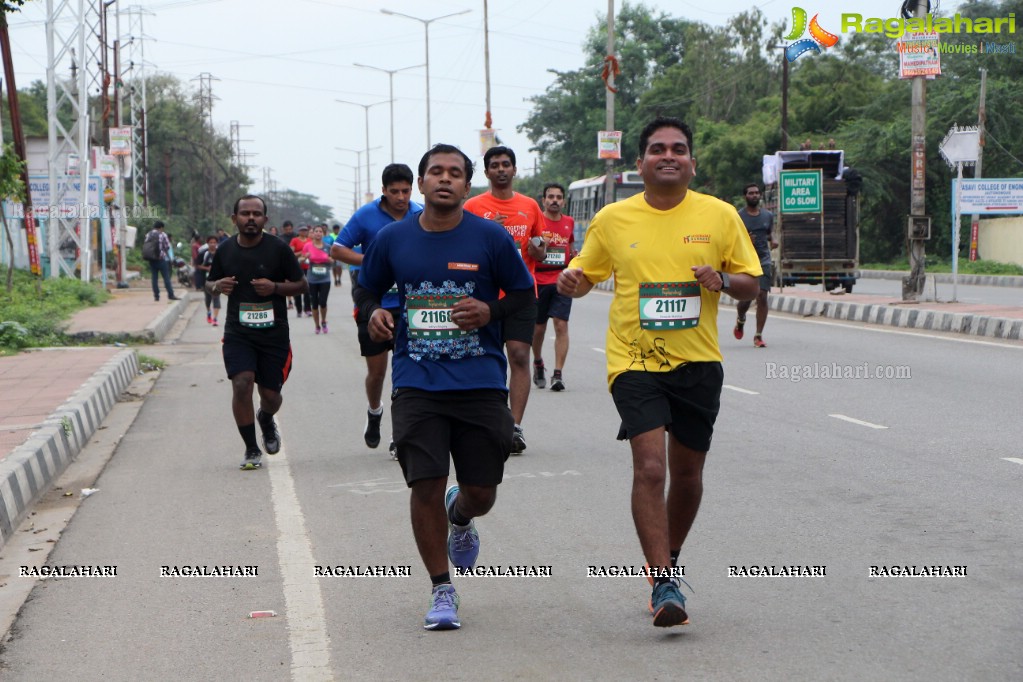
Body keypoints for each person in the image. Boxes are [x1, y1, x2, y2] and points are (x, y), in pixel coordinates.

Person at [557, 117, 761, 628]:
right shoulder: (613, 219)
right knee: (650, 468)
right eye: (657, 149)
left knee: (688, 475)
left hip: (698, 361)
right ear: (640, 163)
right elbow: (587, 276)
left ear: (692, 161)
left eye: (678, 149)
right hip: (634, 361)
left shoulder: (719, 215)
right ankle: (664, 579)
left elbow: (751, 284)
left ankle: (665, 561)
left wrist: (722, 280)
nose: (668, 155)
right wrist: (571, 279)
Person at [357, 143, 534, 631]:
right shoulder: (393, 239)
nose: (445, 179)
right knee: (424, 484)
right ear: (421, 183)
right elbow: (366, 286)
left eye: (456, 173)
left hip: (479, 380)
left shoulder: (491, 238)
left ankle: (462, 516)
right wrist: (372, 311)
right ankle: (441, 589)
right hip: (417, 381)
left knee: (482, 490)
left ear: (466, 184)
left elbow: (523, 294)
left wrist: (489, 312)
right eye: (436, 171)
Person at [205, 195, 307, 470]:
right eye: (245, 213)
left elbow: (301, 285)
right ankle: (251, 449)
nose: (251, 218)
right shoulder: (225, 250)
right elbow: (210, 283)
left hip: (273, 334)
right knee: (241, 383)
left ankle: (266, 417)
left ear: (265, 219)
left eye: (256, 214)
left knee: (271, 396)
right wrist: (218, 286)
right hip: (238, 333)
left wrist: (274, 288)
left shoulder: (279, 250)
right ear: (234, 218)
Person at [331, 163, 422, 457]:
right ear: (383, 191)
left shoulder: (419, 214)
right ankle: (374, 411)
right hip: (373, 304)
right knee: (378, 372)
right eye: (394, 191)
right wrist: (370, 260)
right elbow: (338, 249)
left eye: (405, 191)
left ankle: (400, 435)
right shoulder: (366, 216)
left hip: (409, 307)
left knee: (405, 373)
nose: (400, 197)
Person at [464, 146, 546, 454]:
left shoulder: (529, 206)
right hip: (483, 296)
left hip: (522, 294)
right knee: (488, 361)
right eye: (495, 165)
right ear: (486, 173)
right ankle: (492, 420)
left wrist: (539, 249)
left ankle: (514, 426)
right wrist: (490, 233)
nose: (501, 169)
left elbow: (540, 245)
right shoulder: (472, 207)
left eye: (506, 164)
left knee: (519, 356)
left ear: (514, 170)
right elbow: (462, 247)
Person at [531, 182, 575, 392]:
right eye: (551, 197)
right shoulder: (537, 220)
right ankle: (538, 361)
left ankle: (558, 374)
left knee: (561, 325)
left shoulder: (569, 222)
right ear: (544, 200)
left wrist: (574, 258)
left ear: (563, 201)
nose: (554, 200)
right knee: (538, 328)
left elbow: (571, 246)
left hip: (561, 280)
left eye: (558, 197)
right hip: (538, 281)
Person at [734, 183, 776, 348]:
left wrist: (773, 240)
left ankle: (758, 336)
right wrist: (745, 241)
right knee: (747, 297)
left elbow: (769, 233)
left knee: (762, 296)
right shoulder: (738, 216)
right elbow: (732, 239)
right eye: (751, 193)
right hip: (744, 260)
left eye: (757, 193)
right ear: (745, 196)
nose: (755, 195)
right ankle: (741, 319)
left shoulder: (767, 215)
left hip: (763, 260)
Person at [302, 225, 333, 334]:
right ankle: (317, 325)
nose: (318, 233)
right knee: (314, 303)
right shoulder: (307, 246)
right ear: (313, 233)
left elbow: (334, 260)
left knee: (323, 302)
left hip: (325, 278)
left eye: (320, 231)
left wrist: (330, 260)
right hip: (312, 278)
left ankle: (323, 321)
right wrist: (305, 257)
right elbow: (301, 260)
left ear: (323, 234)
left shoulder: (328, 247)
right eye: (316, 231)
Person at [143, 221, 179, 302]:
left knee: (154, 278)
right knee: (166, 277)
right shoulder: (163, 235)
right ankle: (170, 294)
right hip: (161, 259)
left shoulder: (148, 234)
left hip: (152, 259)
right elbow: (167, 247)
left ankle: (156, 296)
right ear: (161, 227)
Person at [196, 235, 222, 326]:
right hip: (205, 279)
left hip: (217, 280)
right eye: (211, 242)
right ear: (207, 243)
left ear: (217, 243)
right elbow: (197, 265)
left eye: (214, 242)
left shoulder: (220, 253)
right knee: (208, 299)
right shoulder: (203, 253)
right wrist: (207, 268)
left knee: (216, 298)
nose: (213, 244)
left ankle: (215, 319)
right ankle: (208, 313)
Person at [289, 225, 312, 316]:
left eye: (305, 230)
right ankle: (299, 309)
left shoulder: (310, 241)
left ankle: (307, 308)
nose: (303, 232)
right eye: (302, 230)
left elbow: (313, 251)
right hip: (297, 267)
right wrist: (302, 253)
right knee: (297, 288)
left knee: (307, 288)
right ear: (298, 231)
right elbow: (291, 253)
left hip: (308, 267)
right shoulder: (295, 240)